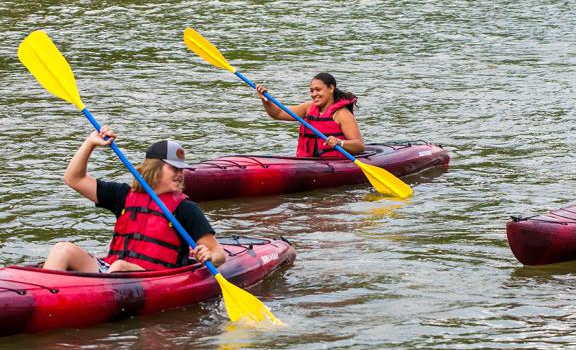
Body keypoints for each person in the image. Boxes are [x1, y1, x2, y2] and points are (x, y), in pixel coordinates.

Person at [43, 127, 226, 273]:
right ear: (155, 168)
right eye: (174, 169)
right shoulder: (123, 195)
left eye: (181, 169)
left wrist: (209, 255)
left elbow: (219, 254)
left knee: (121, 266)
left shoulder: (185, 208)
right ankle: (45, 295)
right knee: (62, 249)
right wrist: (90, 143)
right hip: (111, 269)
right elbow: (73, 179)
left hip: (155, 277)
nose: (180, 174)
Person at [256, 72, 365, 158]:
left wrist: (339, 142)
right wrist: (266, 101)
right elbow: (277, 113)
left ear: (331, 88)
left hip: (335, 163)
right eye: (311, 91)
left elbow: (359, 146)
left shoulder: (341, 114)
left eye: (318, 90)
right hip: (308, 162)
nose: (314, 94)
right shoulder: (307, 108)